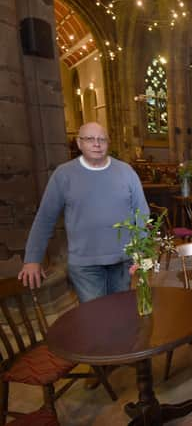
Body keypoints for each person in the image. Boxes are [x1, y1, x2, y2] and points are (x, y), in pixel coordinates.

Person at [18, 122, 149, 303]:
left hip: (122, 260)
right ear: (79, 143)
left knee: (122, 313)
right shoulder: (64, 174)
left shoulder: (126, 172)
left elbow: (141, 212)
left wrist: (141, 249)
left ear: (108, 143)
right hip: (85, 265)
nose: (97, 144)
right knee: (95, 319)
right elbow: (45, 218)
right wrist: (32, 258)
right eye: (90, 139)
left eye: (102, 139)